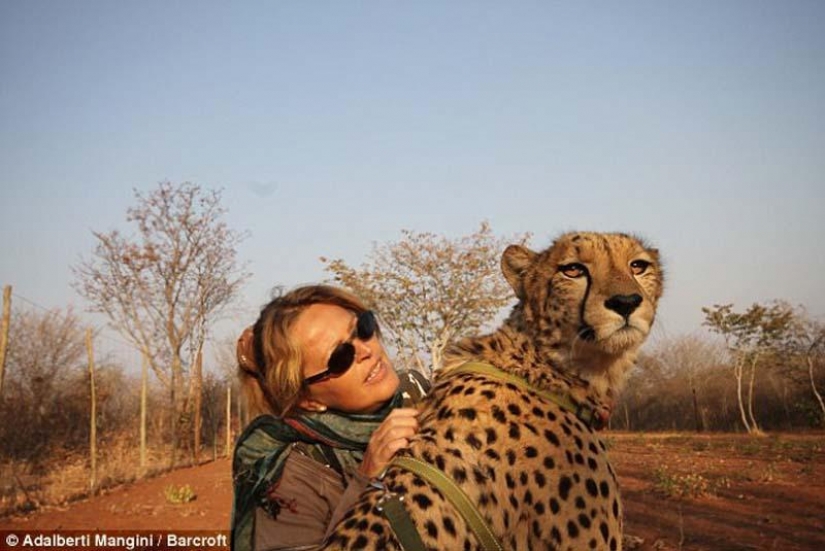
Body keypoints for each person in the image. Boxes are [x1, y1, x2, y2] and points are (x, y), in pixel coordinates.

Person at [231, 285, 429, 551]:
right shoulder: (294, 475)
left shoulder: (418, 390)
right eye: (340, 357)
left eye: (363, 328)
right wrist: (366, 481)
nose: (365, 350)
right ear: (308, 401)